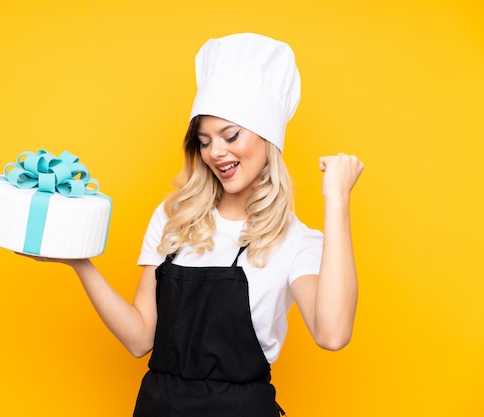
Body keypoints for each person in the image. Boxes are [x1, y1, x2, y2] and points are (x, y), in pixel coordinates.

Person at [23, 33, 364, 416]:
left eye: (230, 135)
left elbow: (332, 334)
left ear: (268, 139)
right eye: (204, 141)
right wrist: (79, 263)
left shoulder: (294, 240)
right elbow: (140, 339)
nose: (216, 151)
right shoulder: (174, 217)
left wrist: (337, 199)